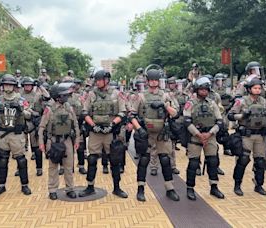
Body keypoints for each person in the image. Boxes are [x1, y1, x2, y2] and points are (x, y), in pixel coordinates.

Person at [129, 69, 180, 201]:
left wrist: (164, 105)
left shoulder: (166, 96)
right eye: (151, 80)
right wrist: (139, 129)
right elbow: (132, 115)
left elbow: (175, 113)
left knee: (165, 160)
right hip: (146, 132)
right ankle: (140, 189)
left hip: (162, 133)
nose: (153, 82)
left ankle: (170, 188)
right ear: (147, 81)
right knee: (144, 160)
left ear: (159, 81)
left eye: (156, 80)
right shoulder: (141, 96)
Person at [78, 70, 128, 198]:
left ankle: (117, 188)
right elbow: (84, 112)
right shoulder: (91, 94)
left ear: (106, 80)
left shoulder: (116, 94)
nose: (97, 82)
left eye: (99, 79)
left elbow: (122, 112)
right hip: (96, 132)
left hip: (111, 132)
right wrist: (93, 126)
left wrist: (112, 125)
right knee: (92, 159)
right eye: (96, 80)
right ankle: (90, 187)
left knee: (115, 160)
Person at [228, 78, 266, 196]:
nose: (257, 90)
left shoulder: (264, 101)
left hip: (261, 135)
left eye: (259, 88)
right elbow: (231, 115)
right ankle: (237, 185)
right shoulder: (242, 101)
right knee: (243, 160)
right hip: (246, 135)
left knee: (260, 161)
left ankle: (259, 185)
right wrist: (243, 115)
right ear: (249, 89)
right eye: (255, 88)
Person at [0, 74, 32, 196]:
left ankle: (25, 185)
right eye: (6, 85)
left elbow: (29, 115)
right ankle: (1, 186)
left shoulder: (21, 100)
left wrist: (21, 109)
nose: (8, 87)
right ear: (2, 86)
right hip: (2, 134)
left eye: (10, 85)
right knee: (2, 160)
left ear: (14, 86)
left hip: (17, 134)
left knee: (21, 160)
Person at [183, 77, 225, 200]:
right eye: (201, 89)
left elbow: (219, 121)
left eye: (206, 89)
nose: (204, 92)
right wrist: (198, 135)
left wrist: (210, 133)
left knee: (213, 162)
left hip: (210, 136)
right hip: (195, 137)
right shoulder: (190, 103)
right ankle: (190, 188)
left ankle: (214, 187)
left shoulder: (212, 103)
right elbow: (186, 121)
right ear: (197, 90)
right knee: (193, 163)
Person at [38, 83, 80, 200]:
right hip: (53, 141)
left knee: (68, 166)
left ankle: (70, 188)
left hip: (66, 140)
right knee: (53, 167)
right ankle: (52, 190)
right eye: (64, 95)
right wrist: (41, 143)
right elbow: (41, 127)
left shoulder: (69, 108)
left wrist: (77, 140)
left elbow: (75, 125)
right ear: (58, 96)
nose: (67, 97)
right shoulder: (49, 109)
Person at [21, 76, 51, 176]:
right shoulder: (19, 96)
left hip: (34, 122)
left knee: (37, 147)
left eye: (30, 85)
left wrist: (41, 86)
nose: (28, 87)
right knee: (20, 149)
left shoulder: (37, 95)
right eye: (26, 85)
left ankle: (39, 168)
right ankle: (19, 169)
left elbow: (47, 97)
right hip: (22, 122)